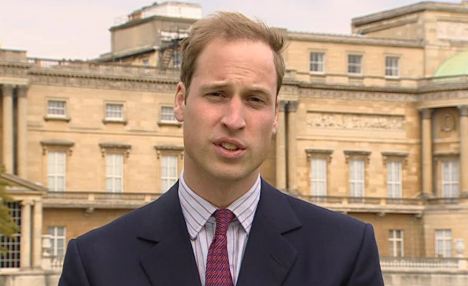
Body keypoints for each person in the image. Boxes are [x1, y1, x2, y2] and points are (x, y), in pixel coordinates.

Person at [59, 12, 384, 286]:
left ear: (275, 116)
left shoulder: (345, 251)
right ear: (181, 101)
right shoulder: (95, 264)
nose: (234, 119)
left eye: (255, 100)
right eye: (217, 94)